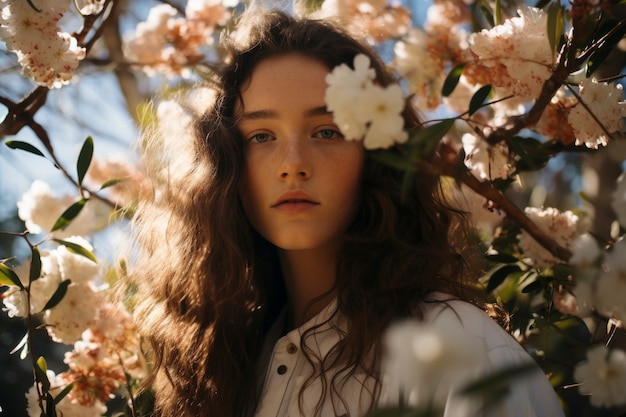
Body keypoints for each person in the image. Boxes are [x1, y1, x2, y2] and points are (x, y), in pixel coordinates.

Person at [128, 7, 566, 417]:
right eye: (261, 137)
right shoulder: (225, 367)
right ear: (223, 164)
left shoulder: (463, 351)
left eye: (326, 131)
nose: (292, 163)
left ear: (376, 153)